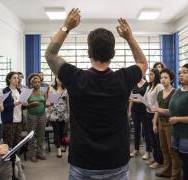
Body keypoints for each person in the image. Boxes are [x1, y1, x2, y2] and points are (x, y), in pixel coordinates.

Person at [45, 8, 148, 180]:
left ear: (88, 53)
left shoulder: (74, 77)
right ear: (113, 54)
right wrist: (129, 37)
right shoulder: (124, 78)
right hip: (116, 160)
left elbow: (50, 54)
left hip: (83, 161)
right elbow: (142, 62)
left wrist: (66, 27)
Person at [152, 69, 181, 180]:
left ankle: (175, 175)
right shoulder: (160, 93)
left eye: (165, 77)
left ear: (171, 79)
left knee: (172, 150)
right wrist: (154, 123)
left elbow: (172, 111)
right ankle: (166, 170)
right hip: (161, 124)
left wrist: (157, 109)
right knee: (163, 148)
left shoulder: (176, 93)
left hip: (170, 124)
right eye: (161, 78)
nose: (163, 80)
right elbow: (157, 110)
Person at [142, 68, 163, 169]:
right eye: (148, 74)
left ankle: (159, 161)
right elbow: (144, 99)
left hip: (155, 115)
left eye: (151, 74)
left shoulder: (159, 86)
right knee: (151, 138)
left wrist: (153, 108)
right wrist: (135, 97)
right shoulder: (149, 87)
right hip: (148, 113)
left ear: (156, 76)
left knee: (157, 138)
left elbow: (160, 101)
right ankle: (155, 157)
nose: (149, 76)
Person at [26, 73, 47, 162]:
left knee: (41, 136)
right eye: (35, 82)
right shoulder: (28, 92)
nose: (37, 83)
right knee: (32, 136)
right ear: (31, 83)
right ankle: (32, 154)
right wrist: (31, 104)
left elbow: (45, 103)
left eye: (38, 82)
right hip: (32, 116)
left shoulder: (43, 91)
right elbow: (24, 105)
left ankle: (40, 153)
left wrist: (49, 104)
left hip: (42, 115)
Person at [48, 77, 69, 158]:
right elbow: (50, 103)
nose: (59, 79)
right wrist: (49, 114)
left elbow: (68, 103)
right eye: (58, 78)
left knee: (62, 131)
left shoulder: (66, 89)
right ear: (55, 79)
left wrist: (69, 114)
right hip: (54, 113)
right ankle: (58, 148)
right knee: (56, 131)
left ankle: (62, 144)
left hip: (64, 113)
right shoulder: (52, 89)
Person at [1, 72, 23, 148]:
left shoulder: (19, 91)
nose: (16, 79)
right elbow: (3, 108)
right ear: (9, 79)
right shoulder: (4, 91)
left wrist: (25, 104)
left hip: (19, 119)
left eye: (17, 78)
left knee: (17, 141)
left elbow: (21, 106)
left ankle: (14, 157)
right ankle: (8, 157)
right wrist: (14, 104)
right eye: (14, 78)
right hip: (9, 120)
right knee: (8, 141)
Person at [128, 78, 148, 157]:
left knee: (146, 131)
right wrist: (129, 111)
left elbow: (146, 100)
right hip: (135, 111)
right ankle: (136, 149)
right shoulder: (134, 84)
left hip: (144, 110)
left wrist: (133, 99)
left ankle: (148, 151)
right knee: (136, 130)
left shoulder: (147, 85)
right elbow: (131, 99)